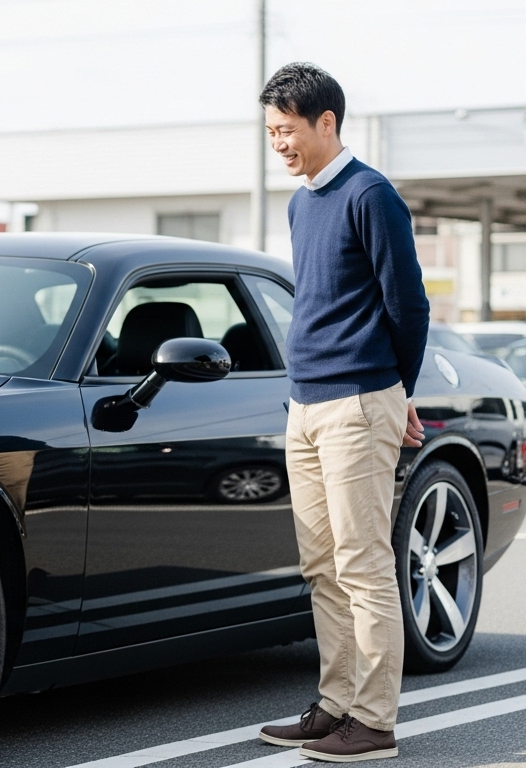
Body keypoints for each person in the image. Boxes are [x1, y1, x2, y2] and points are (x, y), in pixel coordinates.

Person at [255, 63, 430, 762]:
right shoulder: (302, 204)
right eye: (271, 132)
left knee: (363, 566)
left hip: (359, 401)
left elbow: (408, 305)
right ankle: (337, 704)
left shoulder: (370, 194)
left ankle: (375, 722)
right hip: (306, 405)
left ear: (326, 122)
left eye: (287, 130)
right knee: (321, 566)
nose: (279, 145)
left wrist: (398, 392)